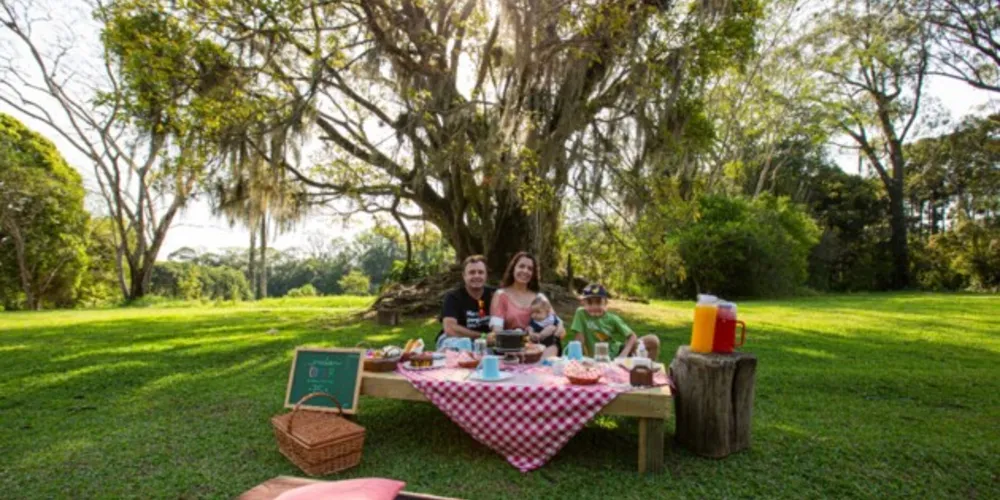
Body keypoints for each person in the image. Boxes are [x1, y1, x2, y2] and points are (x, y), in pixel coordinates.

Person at [490, 251, 565, 357]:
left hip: (538, 345)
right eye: (521, 266)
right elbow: (497, 330)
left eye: (530, 269)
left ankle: (545, 368)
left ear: (533, 274)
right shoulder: (501, 295)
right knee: (501, 342)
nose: (525, 271)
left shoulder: (540, 298)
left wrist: (559, 328)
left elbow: (556, 324)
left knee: (552, 341)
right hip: (511, 345)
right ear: (513, 269)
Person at [569, 283, 660, 360]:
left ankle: (647, 374)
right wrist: (579, 359)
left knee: (653, 340)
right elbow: (579, 340)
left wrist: (623, 355)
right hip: (597, 359)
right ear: (583, 303)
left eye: (599, 302)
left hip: (617, 354)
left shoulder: (612, 318)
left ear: (605, 303)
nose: (594, 307)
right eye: (589, 303)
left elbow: (632, 336)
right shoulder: (581, 314)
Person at [436, 255, 495, 350]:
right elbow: (450, 329)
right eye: (472, 272)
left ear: (486, 275)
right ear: (464, 276)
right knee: (459, 348)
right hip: (455, 339)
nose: (476, 276)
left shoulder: (496, 295)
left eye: (480, 272)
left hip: (487, 342)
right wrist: (482, 336)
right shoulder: (452, 297)